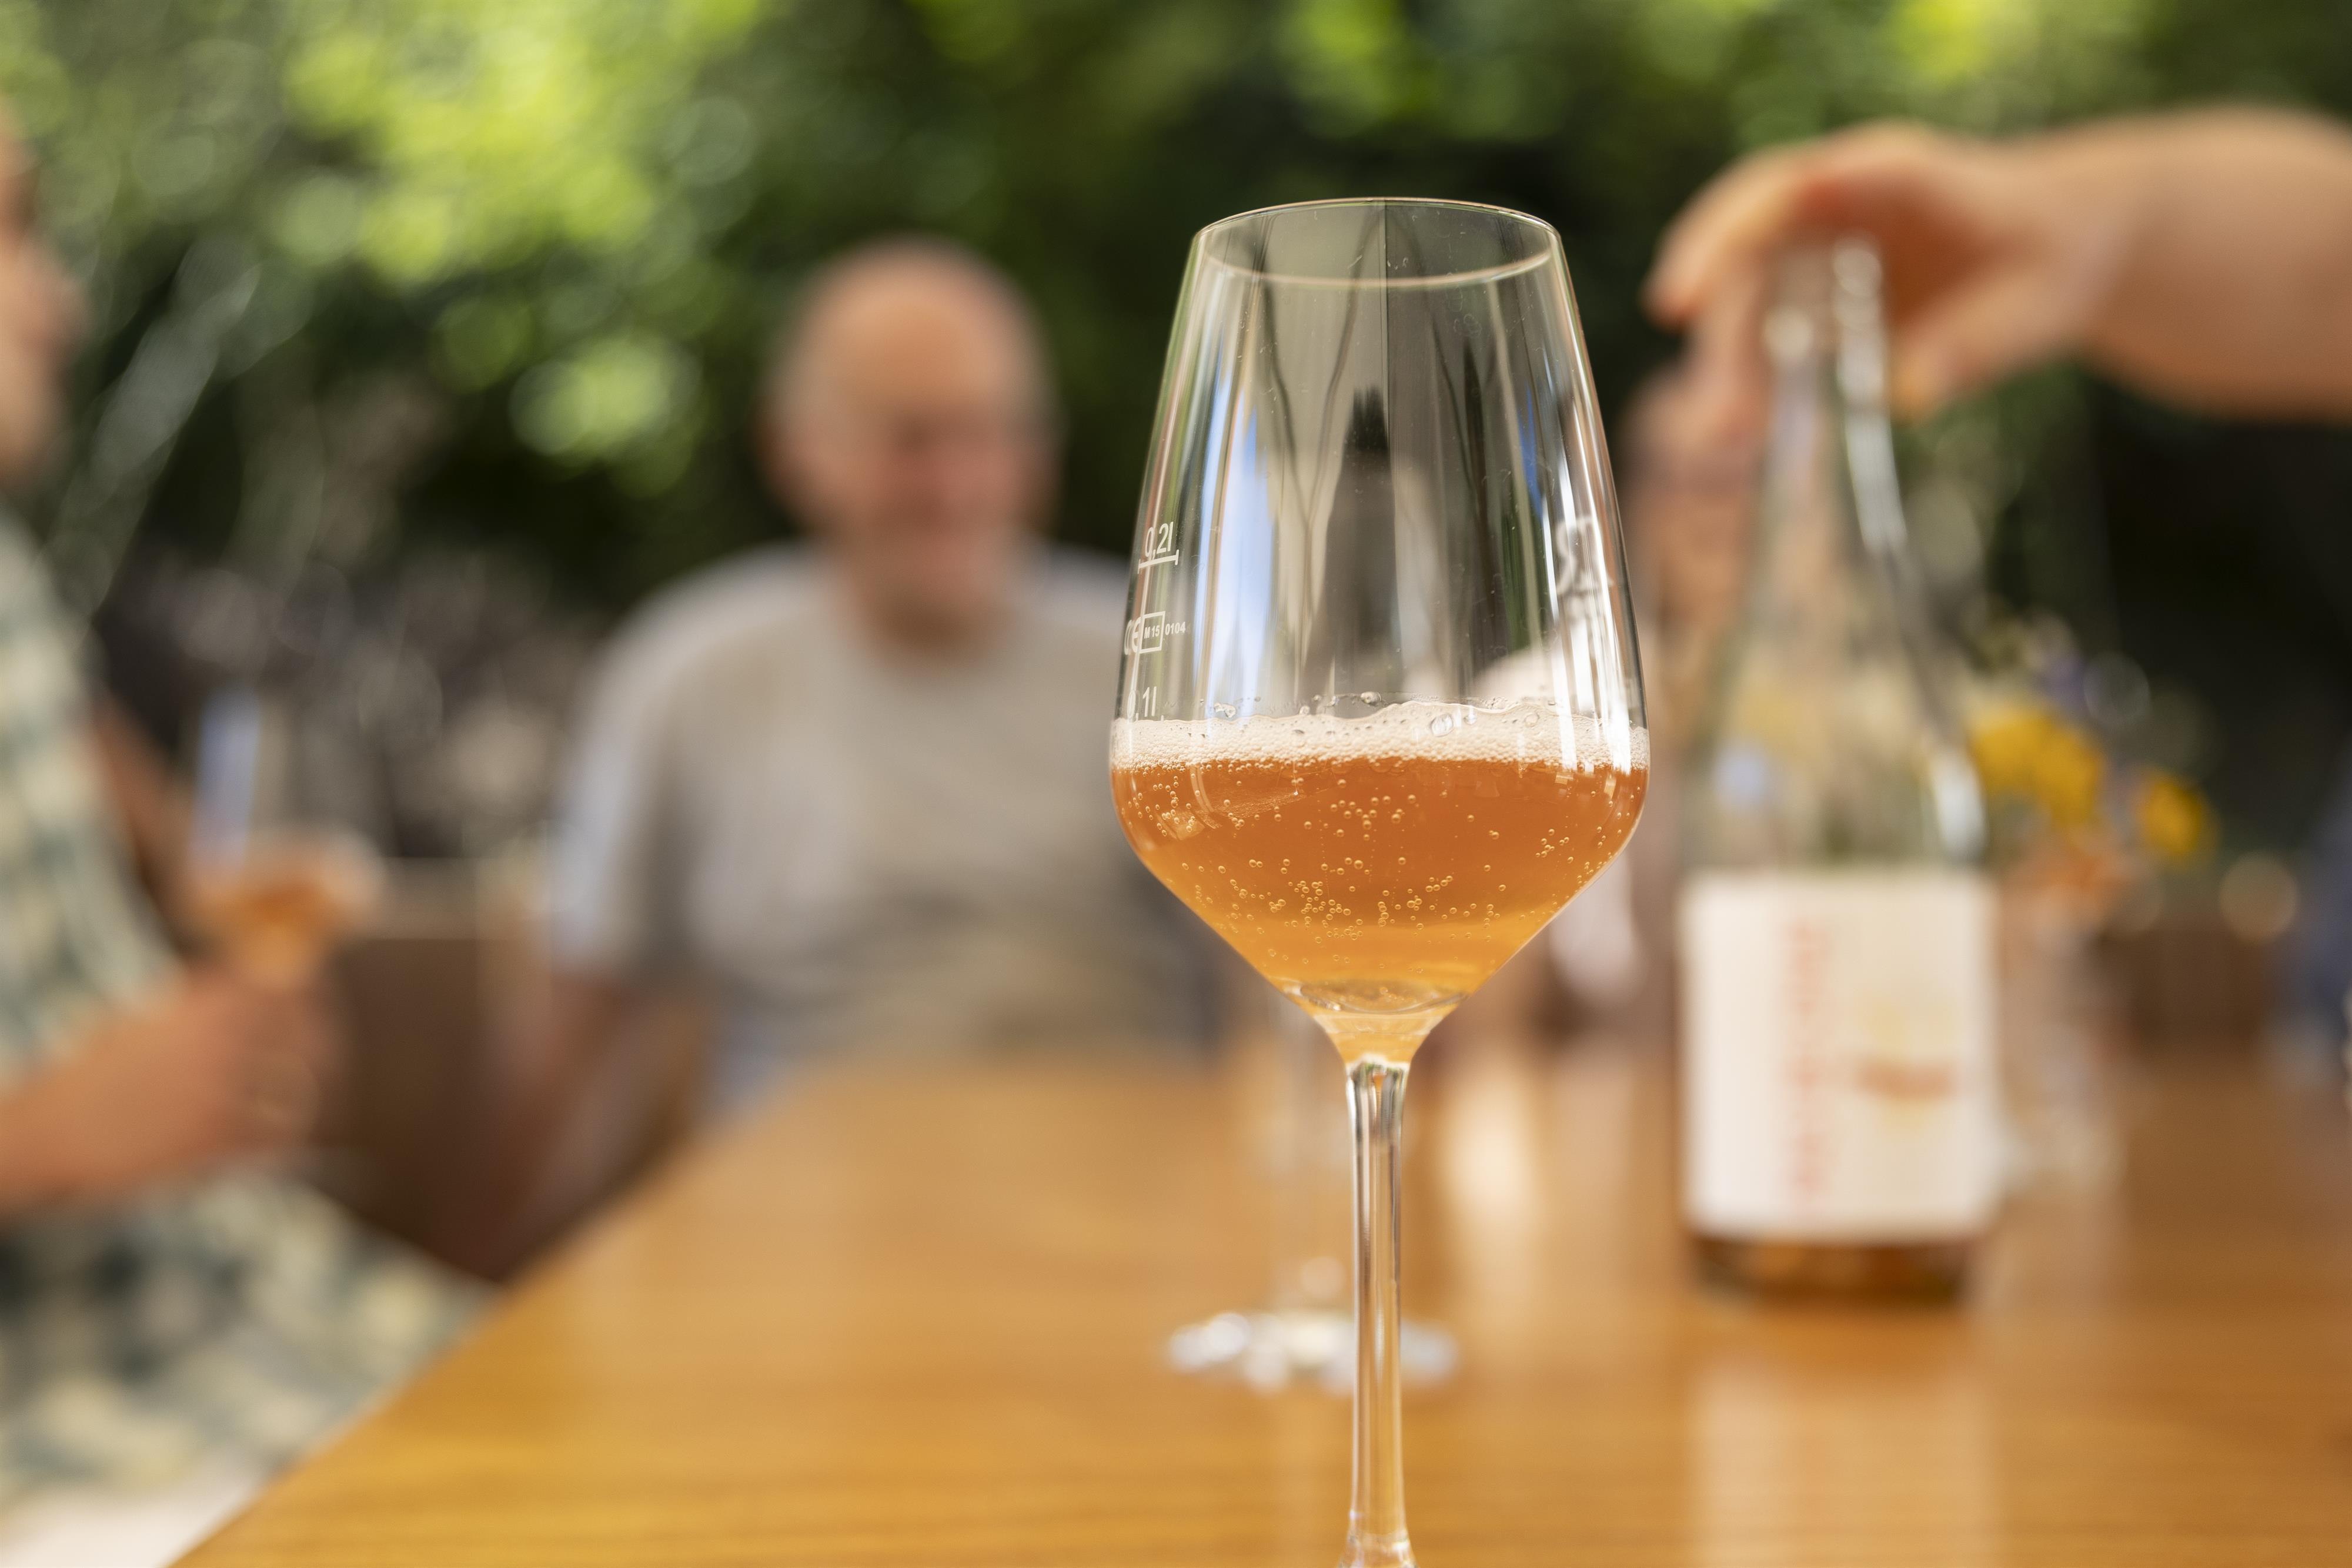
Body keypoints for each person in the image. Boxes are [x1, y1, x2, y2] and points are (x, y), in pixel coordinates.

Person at [482, 239, 1220, 1259]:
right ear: (796, 451)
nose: (954, 482)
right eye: (909, 439)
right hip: (797, 1242)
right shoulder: (692, 673)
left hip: (1129, 1229)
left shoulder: (1167, 656)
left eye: (991, 432)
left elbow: (1287, 997)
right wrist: (493, 1274)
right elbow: (585, 1007)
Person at [0, 116, 474, 1563]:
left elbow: (93, 766)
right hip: (76, 1427)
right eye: (7, 231)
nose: (60, 299)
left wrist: (213, 920)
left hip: (274, 1321)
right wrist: (47, 1136)